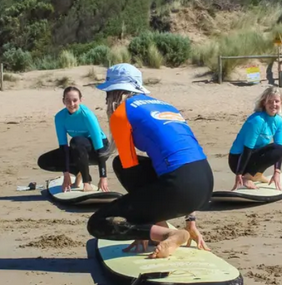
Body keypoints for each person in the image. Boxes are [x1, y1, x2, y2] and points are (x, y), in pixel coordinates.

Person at [86, 63, 213, 259]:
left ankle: (169, 234)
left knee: (98, 222)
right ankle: (163, 227)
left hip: (179, 186)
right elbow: (186, 155)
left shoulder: (121, 114)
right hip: (205, 184)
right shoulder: (166, 106)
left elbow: (132, 171)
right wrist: (191, 221)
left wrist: (140, 225)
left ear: (114, 93)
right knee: (119, 163)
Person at [37, 86, 110, 192]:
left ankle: (86, 182)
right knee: (45, 161)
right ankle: (79, 172)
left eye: (75, 100)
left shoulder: (87, 115)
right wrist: (66, 173)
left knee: (76, 141)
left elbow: (99, 147)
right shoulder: (60, 117)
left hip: (99, 150)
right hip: (79, 150)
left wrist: (103, 177)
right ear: (63, 101)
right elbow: (63, 148)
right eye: (68, 101)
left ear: (81, 100)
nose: (71, 104)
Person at [228, 86, 282, 191]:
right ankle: (247, 177)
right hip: (238, 160)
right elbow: (247, 149)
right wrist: (239, 173)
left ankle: (256, 174)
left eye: (276, 101)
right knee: (278, 148)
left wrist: (277, 173)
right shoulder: (257, 120)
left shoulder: (279, 121)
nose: (273, 105)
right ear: (264, 103)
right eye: (270, 101)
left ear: (281, 103)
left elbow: (279, 148)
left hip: (253, 158)